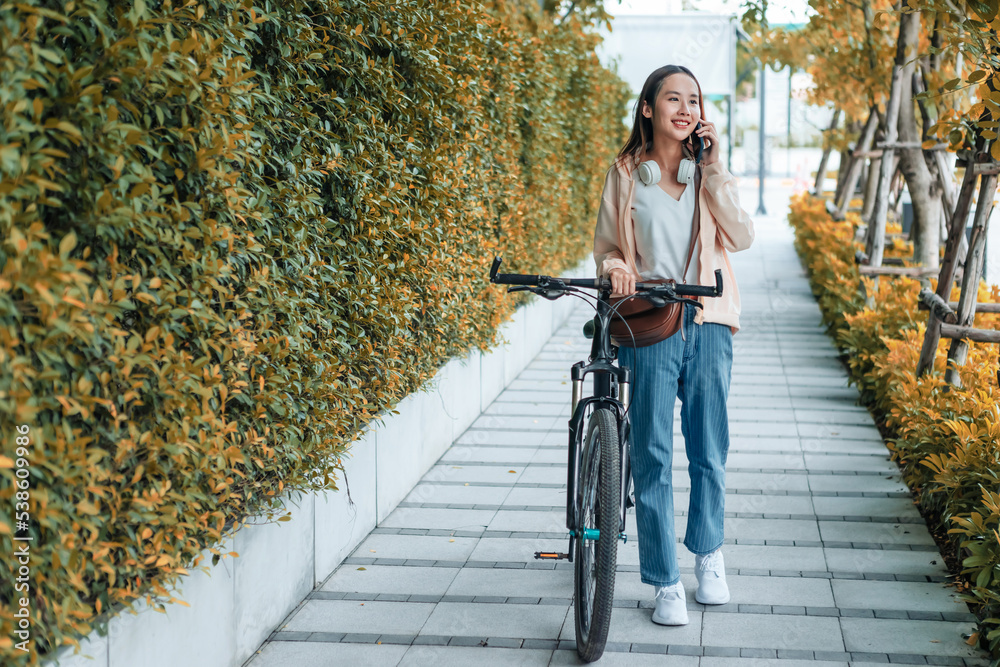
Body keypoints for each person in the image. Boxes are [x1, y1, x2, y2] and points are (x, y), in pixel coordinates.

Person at [593, 65, 754, 626]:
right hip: (654, 320)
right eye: (672, 99)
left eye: (693, 100)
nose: (684, 109)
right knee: (653, 453)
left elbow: (742, 235)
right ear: (648, 109)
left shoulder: (705, 170)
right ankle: (664, 579)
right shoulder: (624, 173)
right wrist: (616, 270)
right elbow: (610, 247)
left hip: (708, 319)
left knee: (709, 447)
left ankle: (709, 555)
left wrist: (714, 167)